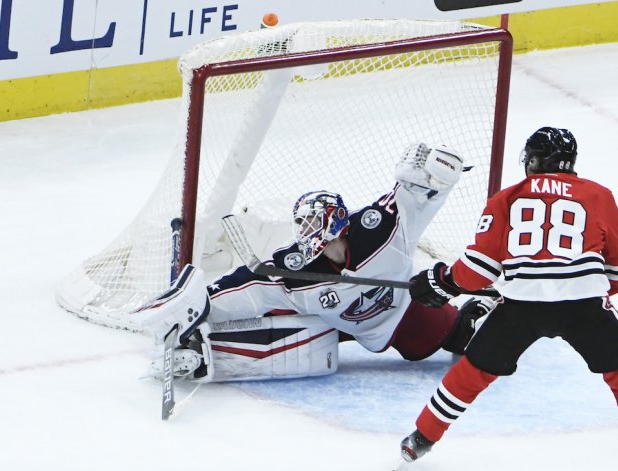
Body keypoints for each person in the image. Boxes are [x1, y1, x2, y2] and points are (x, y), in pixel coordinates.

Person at [398, 127, 618, 471]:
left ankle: (420, 439)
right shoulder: (598, 195)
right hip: (583, 305)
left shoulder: (507, 198)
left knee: (472, 372)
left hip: (520, 307)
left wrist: (442, 281)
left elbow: (477, 270)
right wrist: (586, 289)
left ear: (534, 161)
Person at [134, 142, 492, 383]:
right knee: (287, 336)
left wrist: (431, 176)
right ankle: (198, 351)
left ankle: (481, 311)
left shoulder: (378, 228)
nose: (306, 231)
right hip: (334, 322)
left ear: (336, 220)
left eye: (312, 221)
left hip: (401, 312)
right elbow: (251, 285)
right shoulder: (296, 269)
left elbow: (412, 198)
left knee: (458, 337)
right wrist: (202, 303)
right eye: (302, 224)